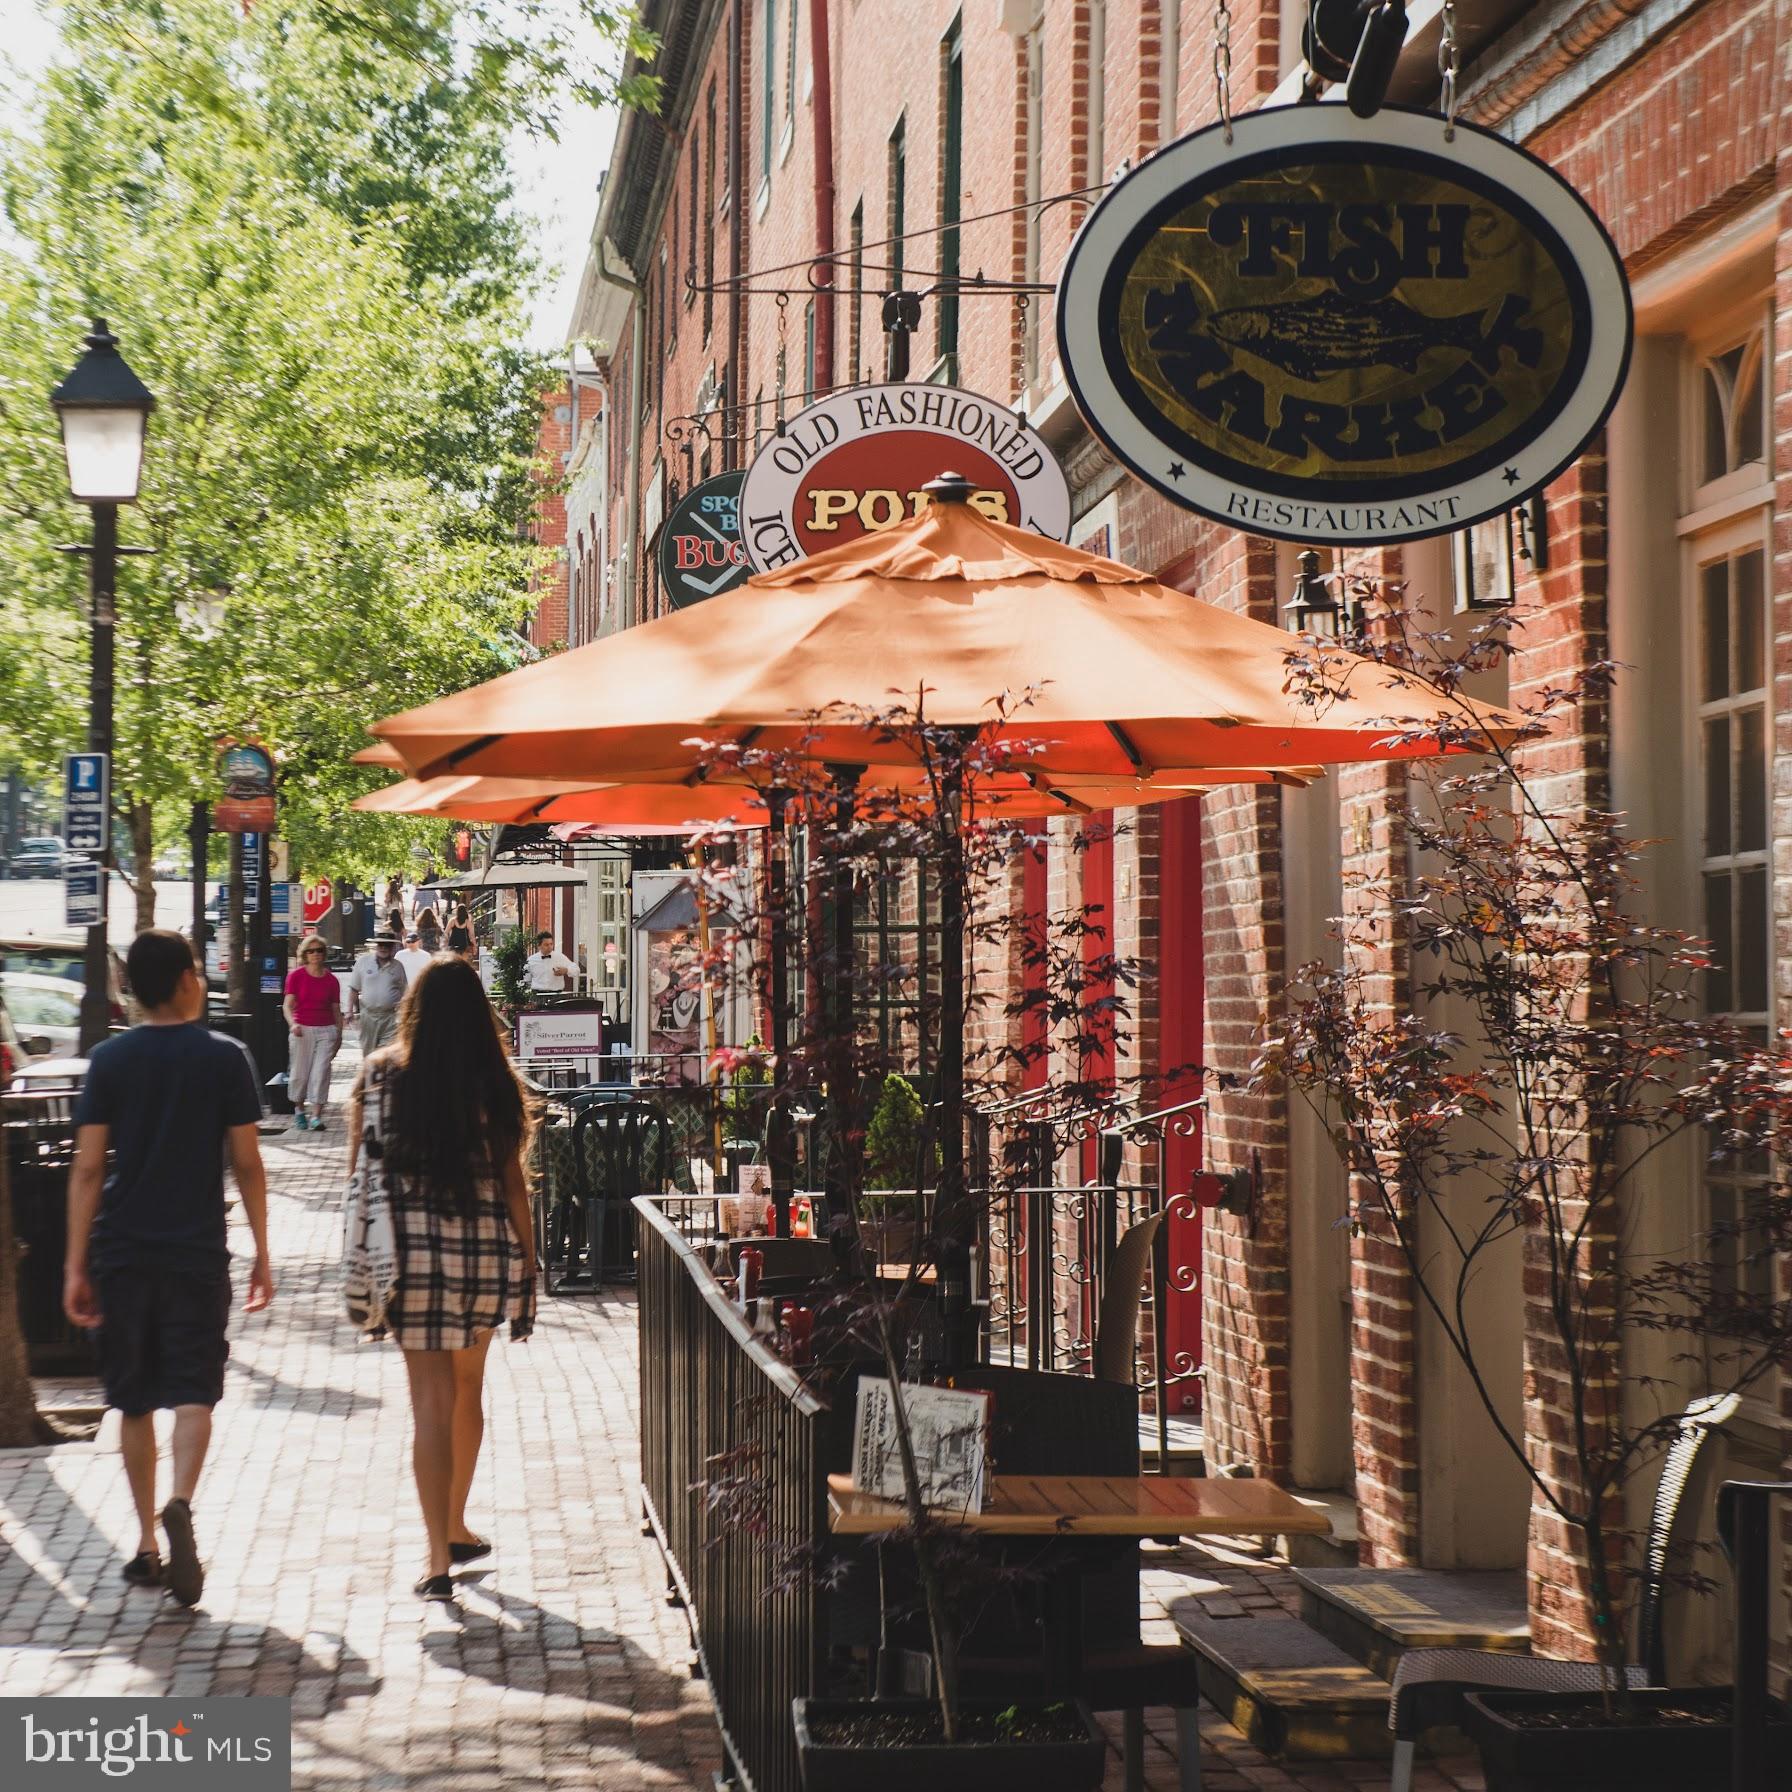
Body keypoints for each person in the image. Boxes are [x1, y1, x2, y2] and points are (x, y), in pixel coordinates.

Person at [63, 930, 274, 1606]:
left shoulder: (109, 1060)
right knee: (193, 1391)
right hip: (196, 1250)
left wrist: (74, 1263)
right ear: (186, 979)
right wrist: (263, 1251)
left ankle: (146, 1546)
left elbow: (88, 1168)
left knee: (132, 1400)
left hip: (122, 1250)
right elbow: (247, 1162)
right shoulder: (225, 1057)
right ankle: (180, 1499)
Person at [346, 956, 536, 1603]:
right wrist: (529, 1264)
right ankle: (456, 1522)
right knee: (467, 1388)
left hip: (409, 1259)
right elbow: (513, 1183)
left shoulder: (380, 1075)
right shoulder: (493, 1081)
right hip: (481, 1254)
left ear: (414, 1010)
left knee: (428, 1403)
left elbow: (359, 1173)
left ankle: (436, 1559)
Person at [284, 935, 343, 1131]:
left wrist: (339, 1034)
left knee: (321, 1072)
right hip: (302, 1029)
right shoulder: (296, 976)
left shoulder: (332, 980)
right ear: (305, 954)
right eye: (311, 951)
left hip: (326, 1030)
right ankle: (299, 1111)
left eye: (319, 950)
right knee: (299, 1074)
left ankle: (316, 1116)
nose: (315, 954)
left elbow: (336, 1010)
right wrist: (293, 1024)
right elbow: (287, 1006)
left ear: (324, 954)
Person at [346, 929, 409, 1054]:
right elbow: (354, 988)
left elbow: (405, 993)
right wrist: (349, 1011)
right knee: (369, 1054)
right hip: (368, 1017)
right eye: (381, 944)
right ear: (376, 946)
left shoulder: (398, 966)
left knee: (387, 1054)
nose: (383, 948)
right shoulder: (363, 962)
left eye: (387, 945)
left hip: (390, 1017)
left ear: (392, 947)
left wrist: (406, 1015)